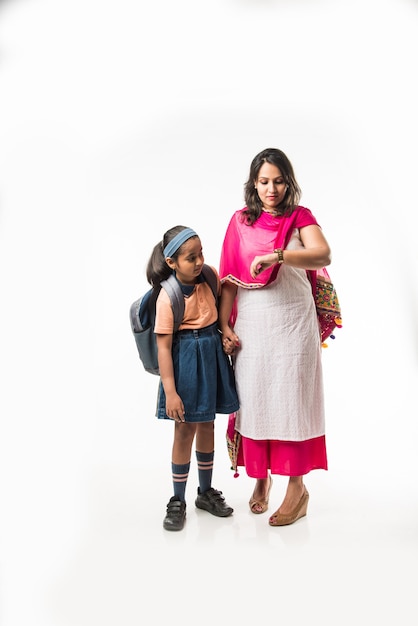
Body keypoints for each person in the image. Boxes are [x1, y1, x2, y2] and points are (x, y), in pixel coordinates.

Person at [218, 147, 332, 526]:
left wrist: (279, 256)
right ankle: (261, 477)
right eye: (264, 181)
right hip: (253, 325)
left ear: (289, 182)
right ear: (254, 183)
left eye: (279, 181)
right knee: (255, 399)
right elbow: (230, 282)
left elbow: (322, 254)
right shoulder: (240, 222)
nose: (272, 189)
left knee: (292, 401)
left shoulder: (300, 217)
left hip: (293, 326)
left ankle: (297, 488)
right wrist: (224, 325)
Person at [147, 225, 240, 531]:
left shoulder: (209, 277)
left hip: (211, 355)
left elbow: (222, 304)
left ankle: (205, 491)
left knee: (207, 424)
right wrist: (171, 392)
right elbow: (163, 348)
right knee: (184, 429)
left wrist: (225, 334)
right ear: (172, 262)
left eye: (201, 253)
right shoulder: (167, 297)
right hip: (185, 360)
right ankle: (177, 499)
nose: (199, 261)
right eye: (191, 257)